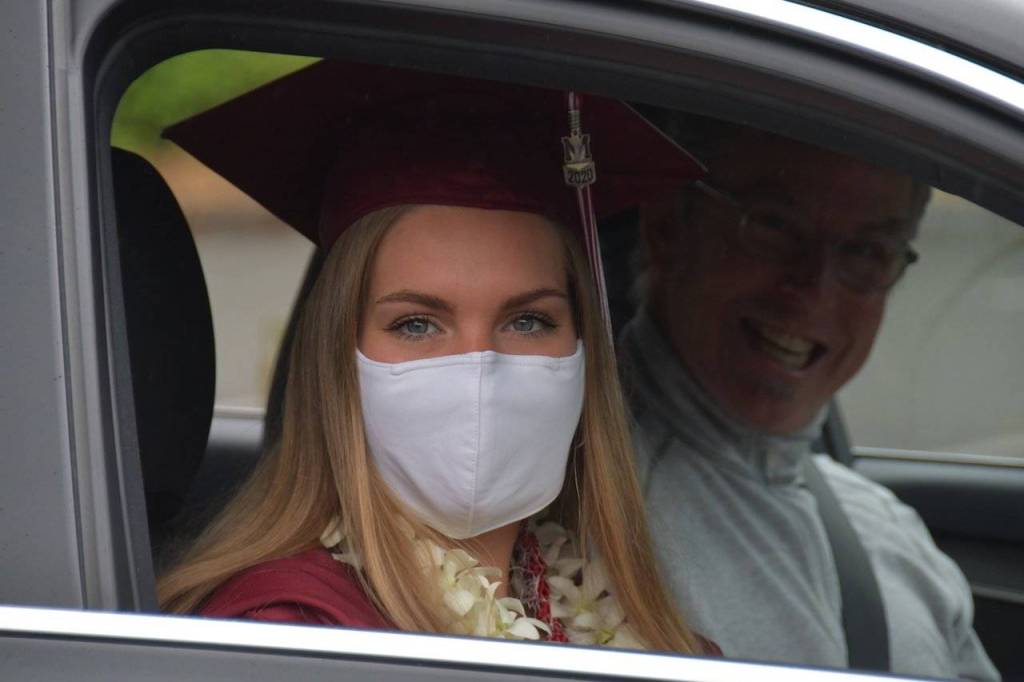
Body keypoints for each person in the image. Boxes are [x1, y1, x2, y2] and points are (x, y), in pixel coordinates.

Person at [155, 60, 717, 655]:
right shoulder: (285, 639)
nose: (480, 368)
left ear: (585, 356)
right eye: (417, 324)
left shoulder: (645, 639)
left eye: (528, 321)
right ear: (336, 363)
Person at [621, 113, 998, 678]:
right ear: (669, 224)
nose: (814, 287)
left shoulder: (887, 532)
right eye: (774, 226)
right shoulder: (570, 500)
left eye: (866, 253)